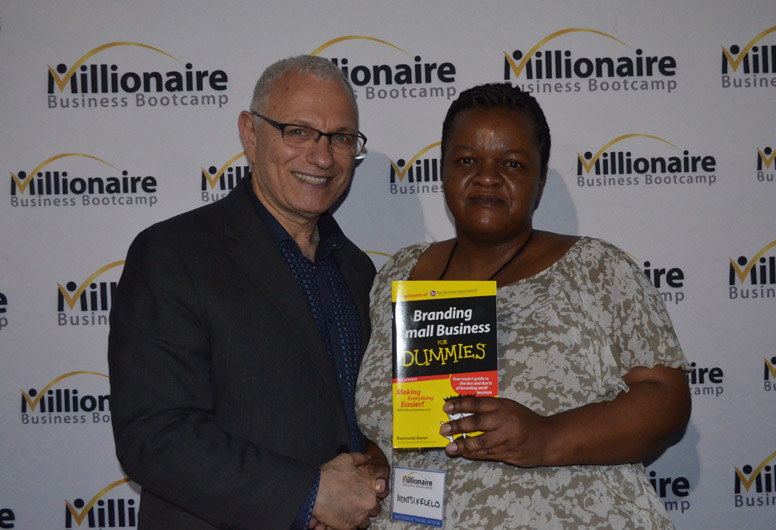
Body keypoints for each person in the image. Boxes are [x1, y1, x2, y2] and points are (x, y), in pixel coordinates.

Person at [355, 83, 691, 529]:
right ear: (443, 170)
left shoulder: (597, 268)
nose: (487, 177)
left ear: (540, 179)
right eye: (467, 160)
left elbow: (666, 400)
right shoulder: (397, 276)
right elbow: (382, 422)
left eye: (511, 163)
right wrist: (374, 460)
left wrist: (547, 437)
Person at [109, 55, 389, 530]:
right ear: (250, 133)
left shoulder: (358, 270)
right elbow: (153, 436)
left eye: (341, 138)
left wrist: (375, 461)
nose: (322, 157)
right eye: (298, 131)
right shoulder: (174, 254)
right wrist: (311, 494)